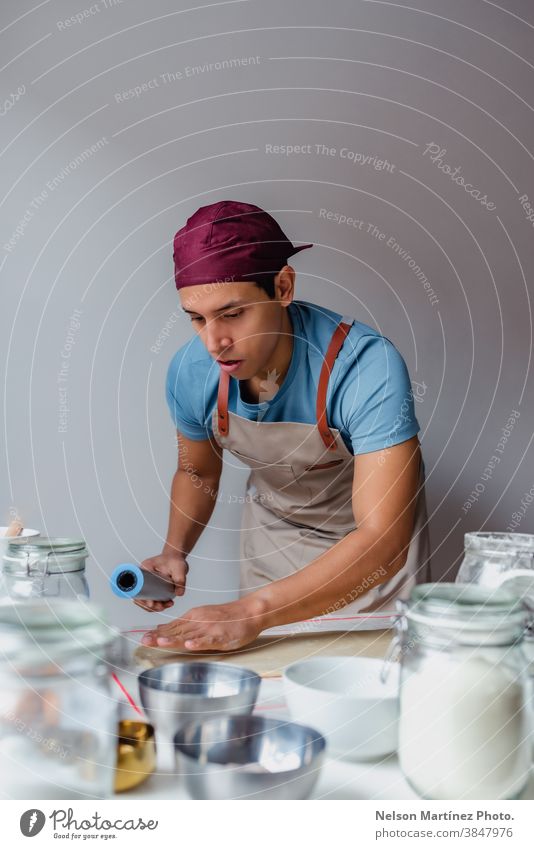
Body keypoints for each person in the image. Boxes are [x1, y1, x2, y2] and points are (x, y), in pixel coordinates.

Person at [138, 200, 431, 652]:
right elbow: (198, 471)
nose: (214, 342)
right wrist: (174, 551)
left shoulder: (366, 367)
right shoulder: (190, 372)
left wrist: (251, 612)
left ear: (283, 286)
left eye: (233, 314)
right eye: (198, 319)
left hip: (369, 562)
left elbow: (381, 538)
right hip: (271, 545)